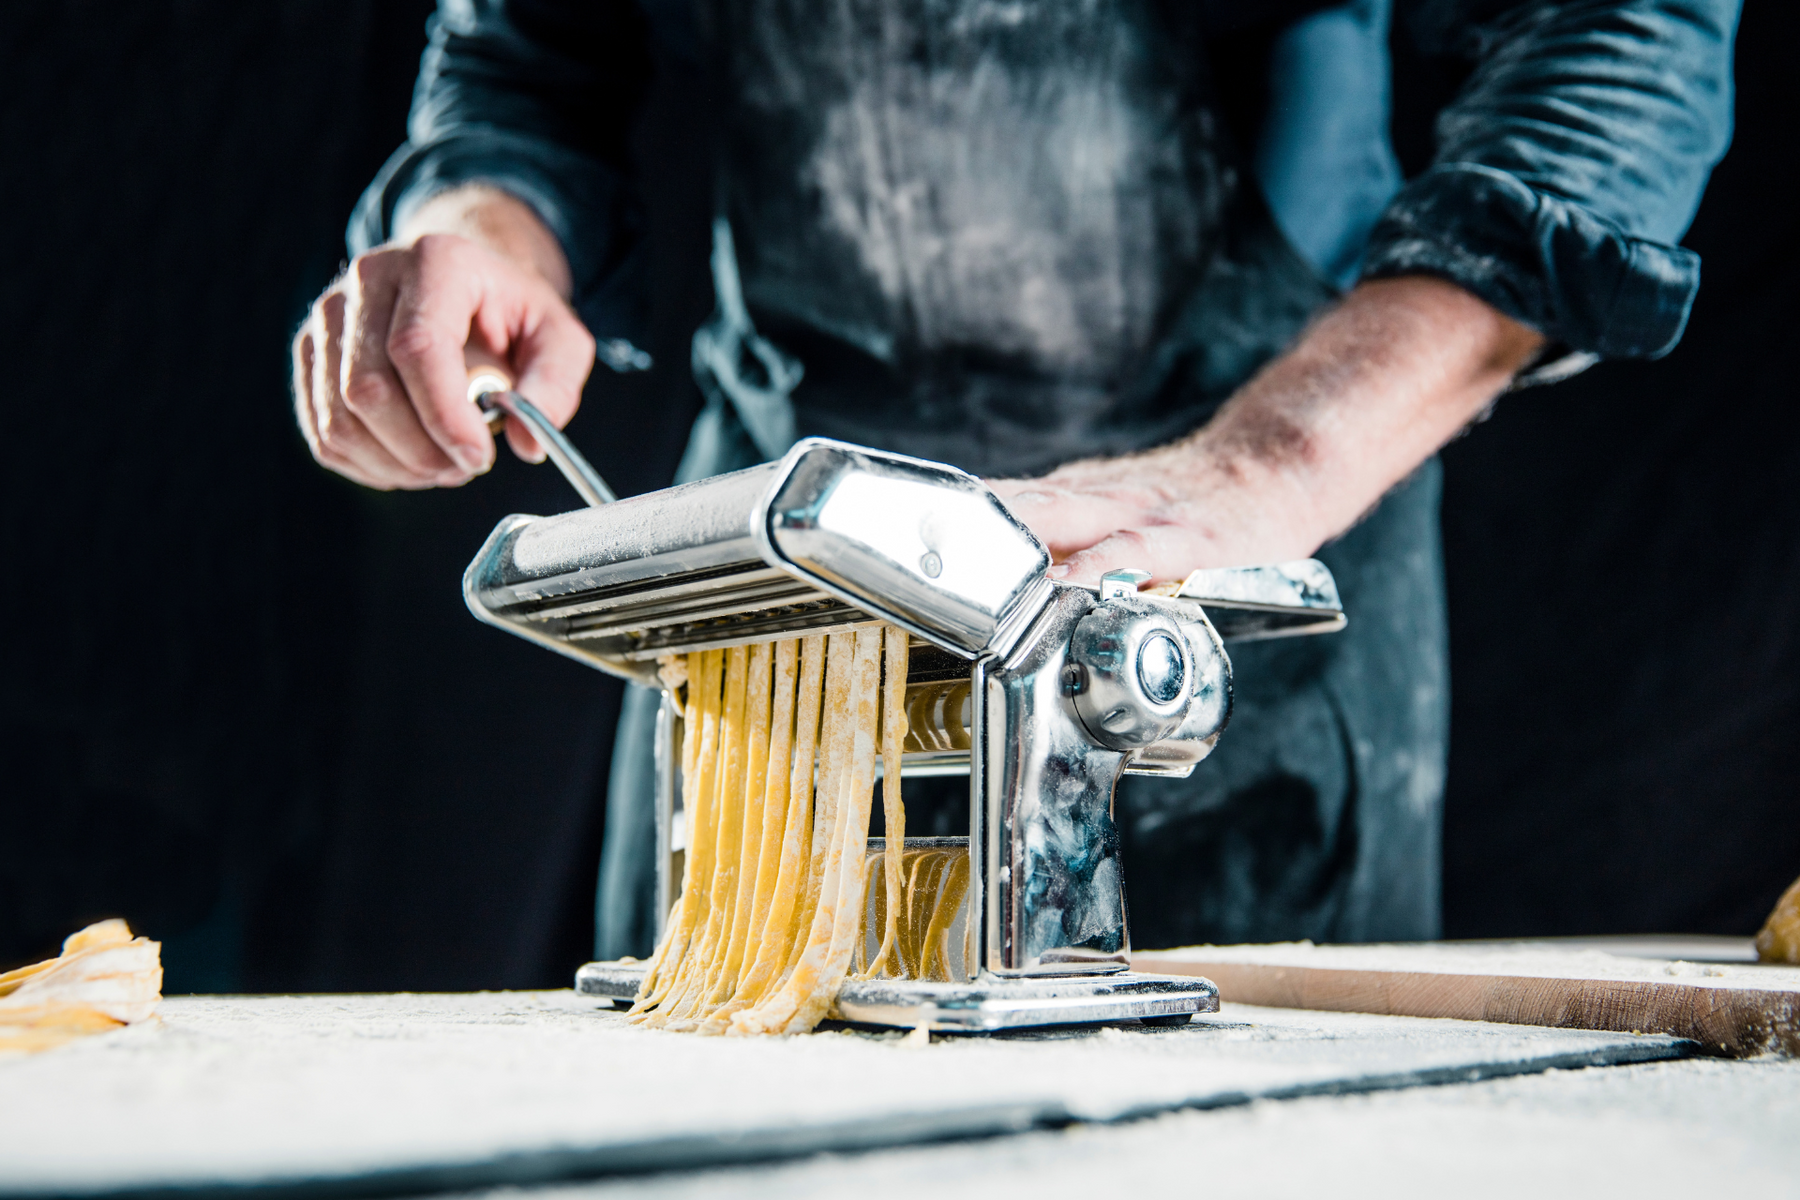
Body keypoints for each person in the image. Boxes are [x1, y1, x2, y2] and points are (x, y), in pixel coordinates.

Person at [292, 0, 1739, 959]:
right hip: (783, 606)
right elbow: (524, 64)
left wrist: (1268, 464)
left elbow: (1622, 32)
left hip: (1231, 562)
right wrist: (483, 226)